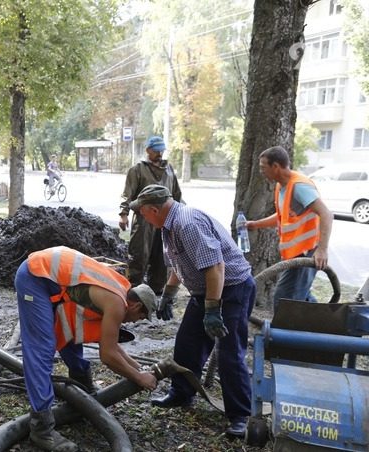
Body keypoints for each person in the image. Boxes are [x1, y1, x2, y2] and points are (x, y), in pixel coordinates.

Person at [131, 184, 256, 438]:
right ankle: (181, 394)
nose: (141, 217)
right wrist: (169, 293)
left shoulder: (187, 224)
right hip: (206, 290)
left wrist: (212, 309)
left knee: (229, 352)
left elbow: (215, 267)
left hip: (231, 289)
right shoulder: (169, 225)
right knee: (187, 343)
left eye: (142, 212)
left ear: (154, 209)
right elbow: (182, 262)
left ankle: (240, 415)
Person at [15, 246, 158, 451]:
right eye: (141, 317)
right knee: (41, 350)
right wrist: (138, 377)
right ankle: (42, 429)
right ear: (135, 306)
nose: (136, 322)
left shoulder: (121, 290)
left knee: (71, 332)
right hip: (34, 276)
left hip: (52, 279)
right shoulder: (117, 304)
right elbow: (107, 355)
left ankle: (83, 390)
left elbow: (111, 345)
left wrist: (138, 368)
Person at [245, 146, 333, 307]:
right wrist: (255, 224)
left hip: (307, 252)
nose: (261, 171)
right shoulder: (282, 186)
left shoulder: (299, 186)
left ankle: (285, 330)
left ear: (276, 167)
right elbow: (282, 217)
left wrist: (322, 250)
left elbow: (326, 214)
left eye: (263, 167)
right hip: (295, 254)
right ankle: (323, 323)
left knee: (284, 300)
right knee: (301, 297)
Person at [118, 136, 182, 297]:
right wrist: (123, 214)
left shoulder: (169, 169)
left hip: (165, 218)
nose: (160, 154)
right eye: (156, 151)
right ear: (148, 150)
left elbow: (176, 194)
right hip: (143, 219)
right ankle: (134, 289)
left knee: (162, 255)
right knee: (139, 253)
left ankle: (157, 290)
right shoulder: (138, 169)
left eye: (162, 150)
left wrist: (179, 213)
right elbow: (127, 193)